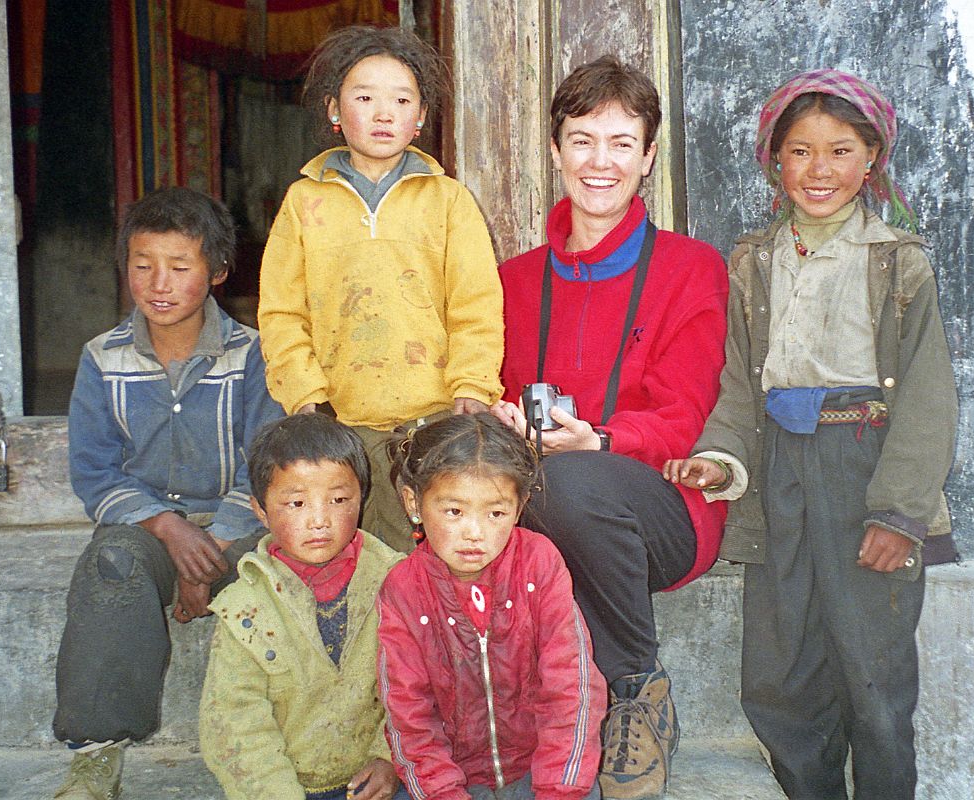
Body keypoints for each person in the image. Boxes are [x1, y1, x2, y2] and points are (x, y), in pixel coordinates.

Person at [663, 69, 958, 800]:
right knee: (777, 671)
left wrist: (898, 513)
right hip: (778, 475)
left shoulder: (897, 263)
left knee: (872, 672)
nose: (818, 169)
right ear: (775, 160)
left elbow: (927, 399)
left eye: (838, 150)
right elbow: (739, 382)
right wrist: (717, 457)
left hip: (862, 465)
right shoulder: (752, 262)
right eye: (799, 151)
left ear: (870, 159)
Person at [491, 56, 727, 798]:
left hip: (659, 506)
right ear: (555, 150)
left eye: (621, 142)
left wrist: (599, 440)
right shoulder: (512, 280)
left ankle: (635, 693)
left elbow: (682, 416)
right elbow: (489, 393)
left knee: (568, 478)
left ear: (649, 157)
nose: (601, 162)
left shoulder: (692, 268)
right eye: (582, 140)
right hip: (540, 499)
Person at [51, 187, 285, 800]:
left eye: (180, 267)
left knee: (297, 572)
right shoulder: (102, 360)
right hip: (150, 530)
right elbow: (96, 472)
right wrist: (172, 532)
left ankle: (296, 743)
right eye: (142, 264)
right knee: (110, 565)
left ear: (218, 272)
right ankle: (96, 753)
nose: (159, 283)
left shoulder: (254, 354)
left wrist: (207, 554)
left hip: (242, 526)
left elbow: (267, 467)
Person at [258, 25, 504, 553]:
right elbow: (281, 312)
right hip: (342, 425)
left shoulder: (447, 200)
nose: (383, 112)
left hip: (436, 418)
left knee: (439, 559)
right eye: (364, 97)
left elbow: (476, 305)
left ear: (419, 119)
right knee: (356, 561)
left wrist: (472, 387)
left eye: (401, 99)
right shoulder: (304, 203)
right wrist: (306, 398)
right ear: (334, 110)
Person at [376, 413, 606, 800]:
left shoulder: (539, 564)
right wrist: (444, 793)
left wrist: (558, 789)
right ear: (414, 502)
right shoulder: (403, 590)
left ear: (519, 508)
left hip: (542, 772)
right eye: (454, 511)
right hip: (453, 780)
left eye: (496, 513)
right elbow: (409, 715)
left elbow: (573, 686)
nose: (474, 533)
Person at [199, 413, 403, 800]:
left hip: (385, 777)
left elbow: (421, 687)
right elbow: (235, 724)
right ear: (260, 509)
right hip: (286, 786)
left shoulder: (398, 583)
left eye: (339, 500)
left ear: (362, 497)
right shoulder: (244, 610)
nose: (319, 520)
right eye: (296, 503)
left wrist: (388, 757)